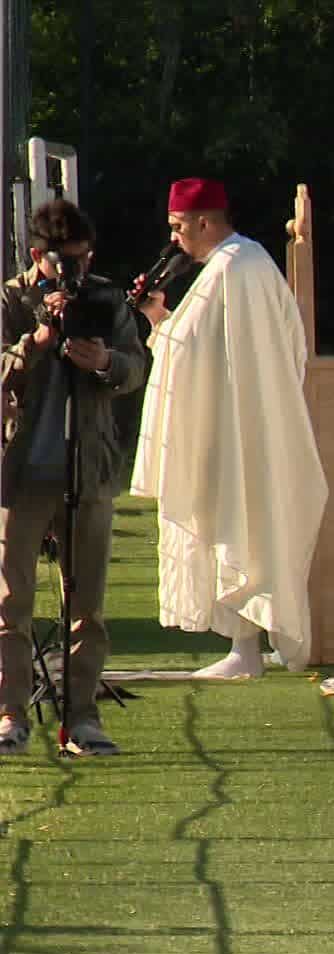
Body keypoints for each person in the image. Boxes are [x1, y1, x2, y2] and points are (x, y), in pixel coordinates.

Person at [133, 178, 327, 680]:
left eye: (179, 227)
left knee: (239, 526)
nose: (175, 238)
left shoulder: (232, 267)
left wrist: (158, 322)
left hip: (242, 424)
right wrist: (162, 319)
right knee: (240, 525)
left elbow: (189, 346)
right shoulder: (244, 263)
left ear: (204, 222)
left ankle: (246, 649)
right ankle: (246, 645)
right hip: (243, 419)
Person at [0, 200, 148, 755]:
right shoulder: (12, 299)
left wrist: (104, 360)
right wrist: (34, 343)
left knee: (86, 601)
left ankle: (82, 719)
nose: (75, 273)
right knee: (11, 601)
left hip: (88, 467)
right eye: (65, 262)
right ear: (39, 256)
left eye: (83, 261)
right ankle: (11, 713)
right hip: (21, 468)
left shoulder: (106, 298)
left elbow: (136, 368)